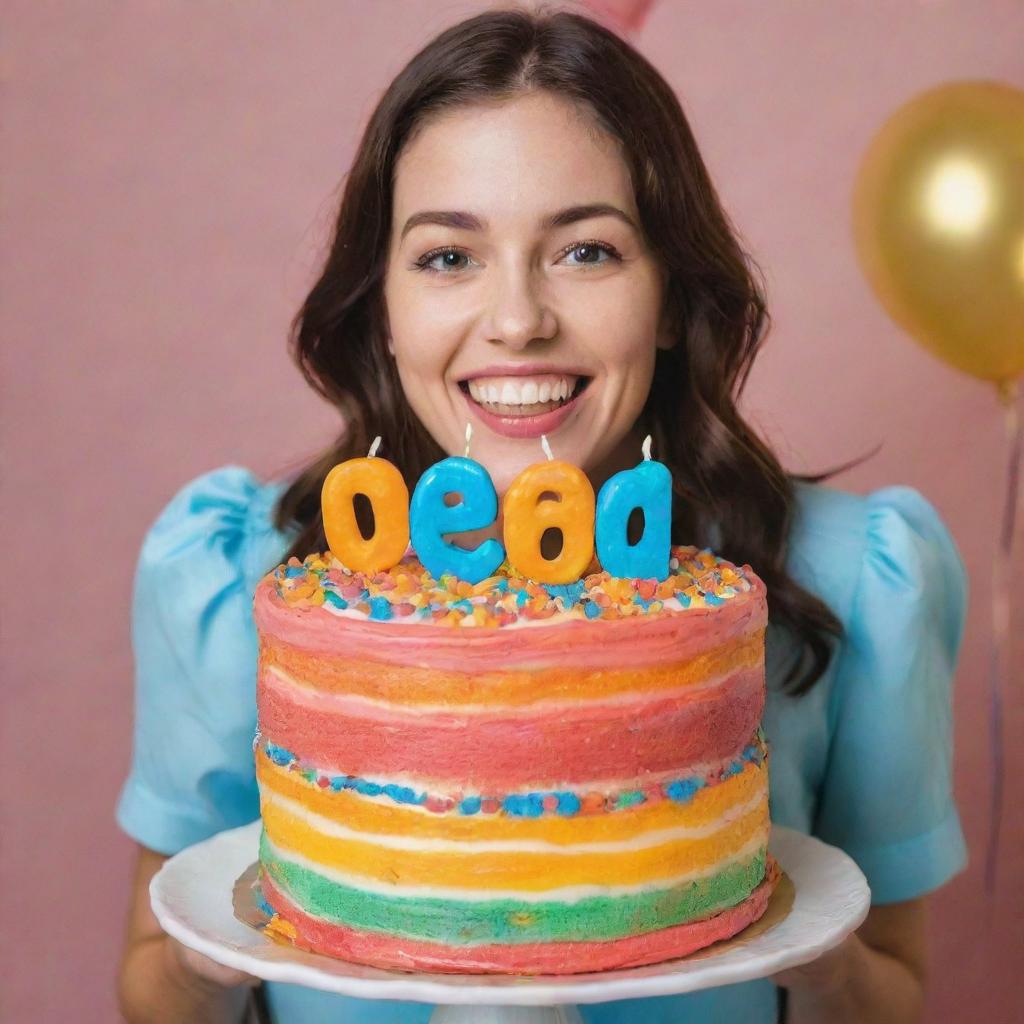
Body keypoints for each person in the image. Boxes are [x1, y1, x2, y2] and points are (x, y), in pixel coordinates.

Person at [115, 7, 968, 1023]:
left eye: (585, 251)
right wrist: (214, 953)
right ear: (382, 307)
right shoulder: (248, 579)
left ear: (666, 297)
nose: (517, 320)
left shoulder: (848, 581)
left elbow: (894, 989)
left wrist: (814, 956)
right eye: (446, 258)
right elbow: (150, 990)